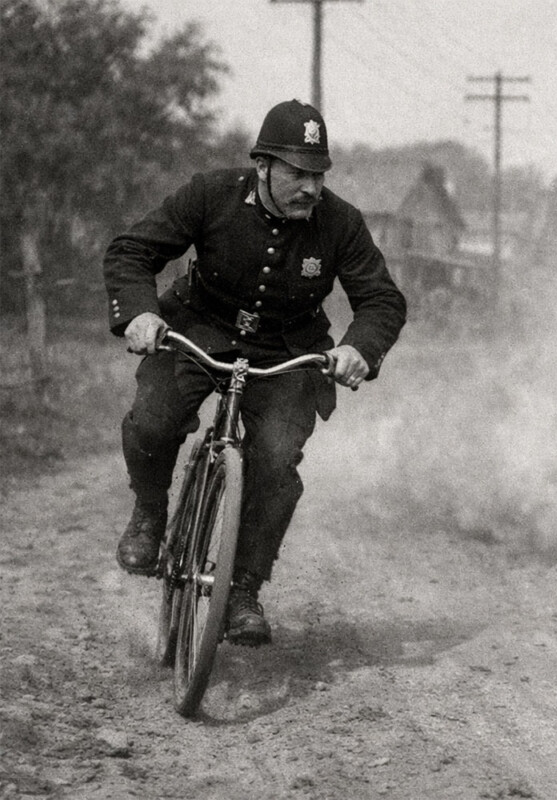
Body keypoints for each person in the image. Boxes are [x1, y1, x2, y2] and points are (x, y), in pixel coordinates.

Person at [103, 99, 406, 646]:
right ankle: (150, 515)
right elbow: (131, 251)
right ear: (263, 165)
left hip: (288, 348)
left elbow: (382, 301)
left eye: (318, 175)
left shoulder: (341, 223)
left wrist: (359, 348)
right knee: (153, 419)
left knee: (275, 459)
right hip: (198, 327)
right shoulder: (210, 194)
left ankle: (242, 589)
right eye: (297, 173)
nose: (310, 188)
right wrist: (142, 312)